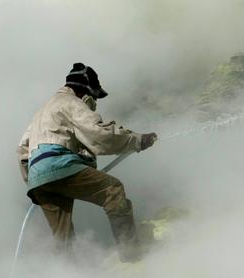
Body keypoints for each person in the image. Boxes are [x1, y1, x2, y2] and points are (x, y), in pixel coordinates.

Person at [17, 63, 158, 262]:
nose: (95, 102)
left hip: (37, 179)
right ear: (84, 90)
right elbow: (99, 134)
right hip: (58, 165)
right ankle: (132, 256)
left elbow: (22, 151)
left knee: (62, 239)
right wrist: (136, 140)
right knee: (114, 191)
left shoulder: (42, 112)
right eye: (95, 96)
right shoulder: (71, 102)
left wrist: (33, 180)